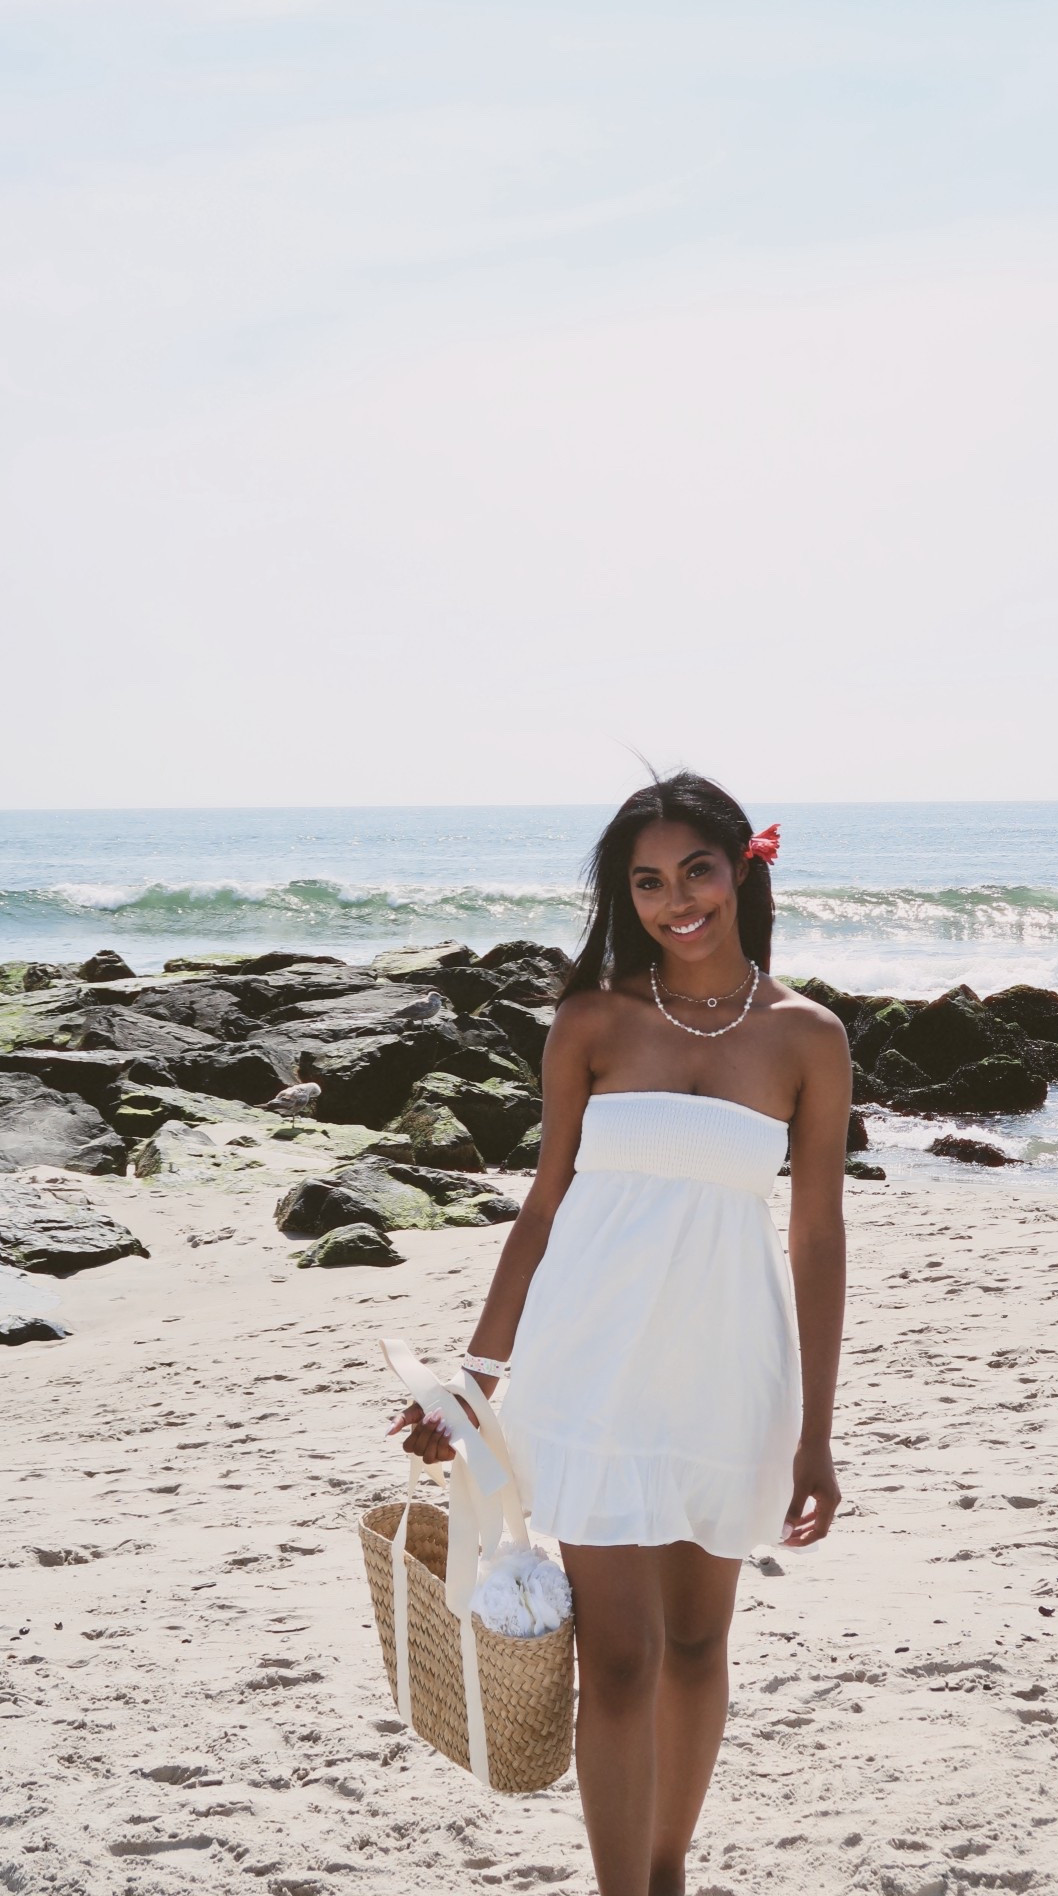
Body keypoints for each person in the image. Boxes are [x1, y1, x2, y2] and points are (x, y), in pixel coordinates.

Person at [389, 772, 849, 1896]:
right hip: (590, 1369)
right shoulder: (593, 1020)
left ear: (743, 866)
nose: (673, 899)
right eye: (646, 880)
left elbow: (819, 1234)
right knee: (623, 1654)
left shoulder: (808, 1037)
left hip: (727, 1373)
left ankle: (666, 1870)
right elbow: (541, 1208)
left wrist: (816, 1433)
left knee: (698, 1646)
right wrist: (474, 1381)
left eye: (695, 868)